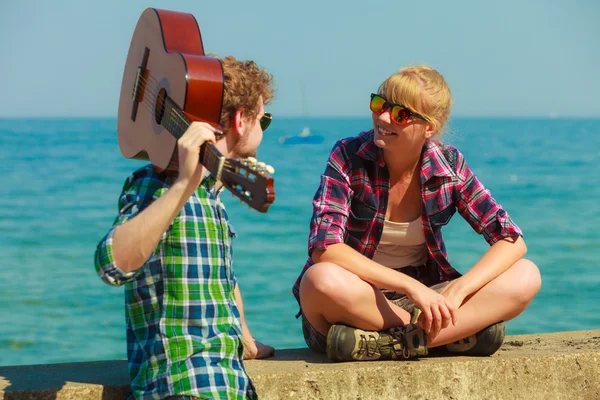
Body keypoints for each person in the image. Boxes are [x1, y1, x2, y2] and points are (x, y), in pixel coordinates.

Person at [292, 65, 542, 362]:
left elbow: (511, 239)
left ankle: (389, 344)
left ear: (429, 127)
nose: (383, 117)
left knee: (526, 275)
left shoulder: (448, 166)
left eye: (400, 113)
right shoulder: (348, 155)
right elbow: (325, 249)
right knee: (320, 280)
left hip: (423, 302)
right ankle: (444, 338)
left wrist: (458, 291)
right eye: (379, 104)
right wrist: (410, 287)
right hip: (355, 303)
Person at [95, 55, 275, 400]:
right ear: (241, 120)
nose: (263, 129)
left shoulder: (211, 193)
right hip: (183, 387)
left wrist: (245, 340)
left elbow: (216, 281)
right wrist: (181, 187)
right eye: (262, 119)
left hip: (227, 386)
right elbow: (109, 264)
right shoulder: (157, 184)